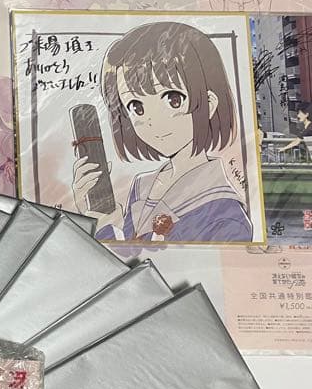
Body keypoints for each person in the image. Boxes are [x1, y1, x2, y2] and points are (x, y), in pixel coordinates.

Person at [72, 21, 253, 243]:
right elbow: (132, 250)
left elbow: (142, 261)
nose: (153, 121)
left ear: (209, 103)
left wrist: (105, 230)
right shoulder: (143, 186)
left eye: (173, 100)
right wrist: (103, 219)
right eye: (136, 107)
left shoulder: (224, 214)